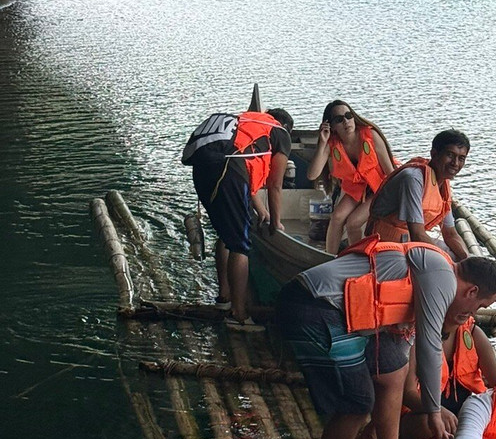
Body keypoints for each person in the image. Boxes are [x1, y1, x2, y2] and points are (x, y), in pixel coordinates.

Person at [276, 235, 496, 439]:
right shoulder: (444, 276)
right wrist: (434, 411)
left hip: (336, 311)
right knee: (357, 403)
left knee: (394, 365)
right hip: (313, 307)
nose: (473, 314)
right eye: (480, 306)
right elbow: (430, 343)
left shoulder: (434, 272)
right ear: (472, 291)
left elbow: (404, 342)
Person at [183, 107, 293, 330]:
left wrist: (261, 210)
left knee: (226, 234)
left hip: (203, 170)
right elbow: (275, 185)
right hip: (229, 170)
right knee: (240, 244)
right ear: (286, 126)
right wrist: (276, 223)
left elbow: (247, 169)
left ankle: (224, 298)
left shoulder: (245, 122)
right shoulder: (281, 134)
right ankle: (239, 315)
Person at [398, 315, 496, 439]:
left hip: (460, 416)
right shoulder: (416, 334)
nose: (470, 309)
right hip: (420, 416)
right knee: (429, 426)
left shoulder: (471, 332)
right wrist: (436, 411)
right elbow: (408, 393)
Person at [306, 100, 394, 254]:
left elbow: (391, 172)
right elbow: (312, 174)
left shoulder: (370, 136)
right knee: (337, 217)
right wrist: (321, 143)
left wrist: (396, 199)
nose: (346, 121)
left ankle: (358, 260)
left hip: (380, 188)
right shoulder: (331, 144)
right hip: (357, 189)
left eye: (348, 116)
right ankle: (330, 258)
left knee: (353, 222)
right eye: (339, 119)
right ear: (331, 126)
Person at [366, 129, 470, 260]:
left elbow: (450, 233)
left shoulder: (443, 183)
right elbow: (417, 234)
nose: (455, 163)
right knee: (447, 267)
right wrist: (449, 263)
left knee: (465, 260)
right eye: (450, 155)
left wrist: (467, 260)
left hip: (408, 241)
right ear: (434, 154)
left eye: (461, 158)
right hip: (385, 246)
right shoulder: (413, 178)